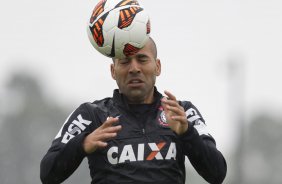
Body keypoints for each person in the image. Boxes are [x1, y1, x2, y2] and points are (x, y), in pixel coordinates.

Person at [40, 37, 227, 184]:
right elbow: (48, 174)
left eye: (142, 59)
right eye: (125, 61)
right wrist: (82, 144)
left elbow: (217, 173)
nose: (134, 68)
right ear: (113, 71)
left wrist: (187, 133)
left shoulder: (180, 112)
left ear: (157, 66)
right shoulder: (91, 114)